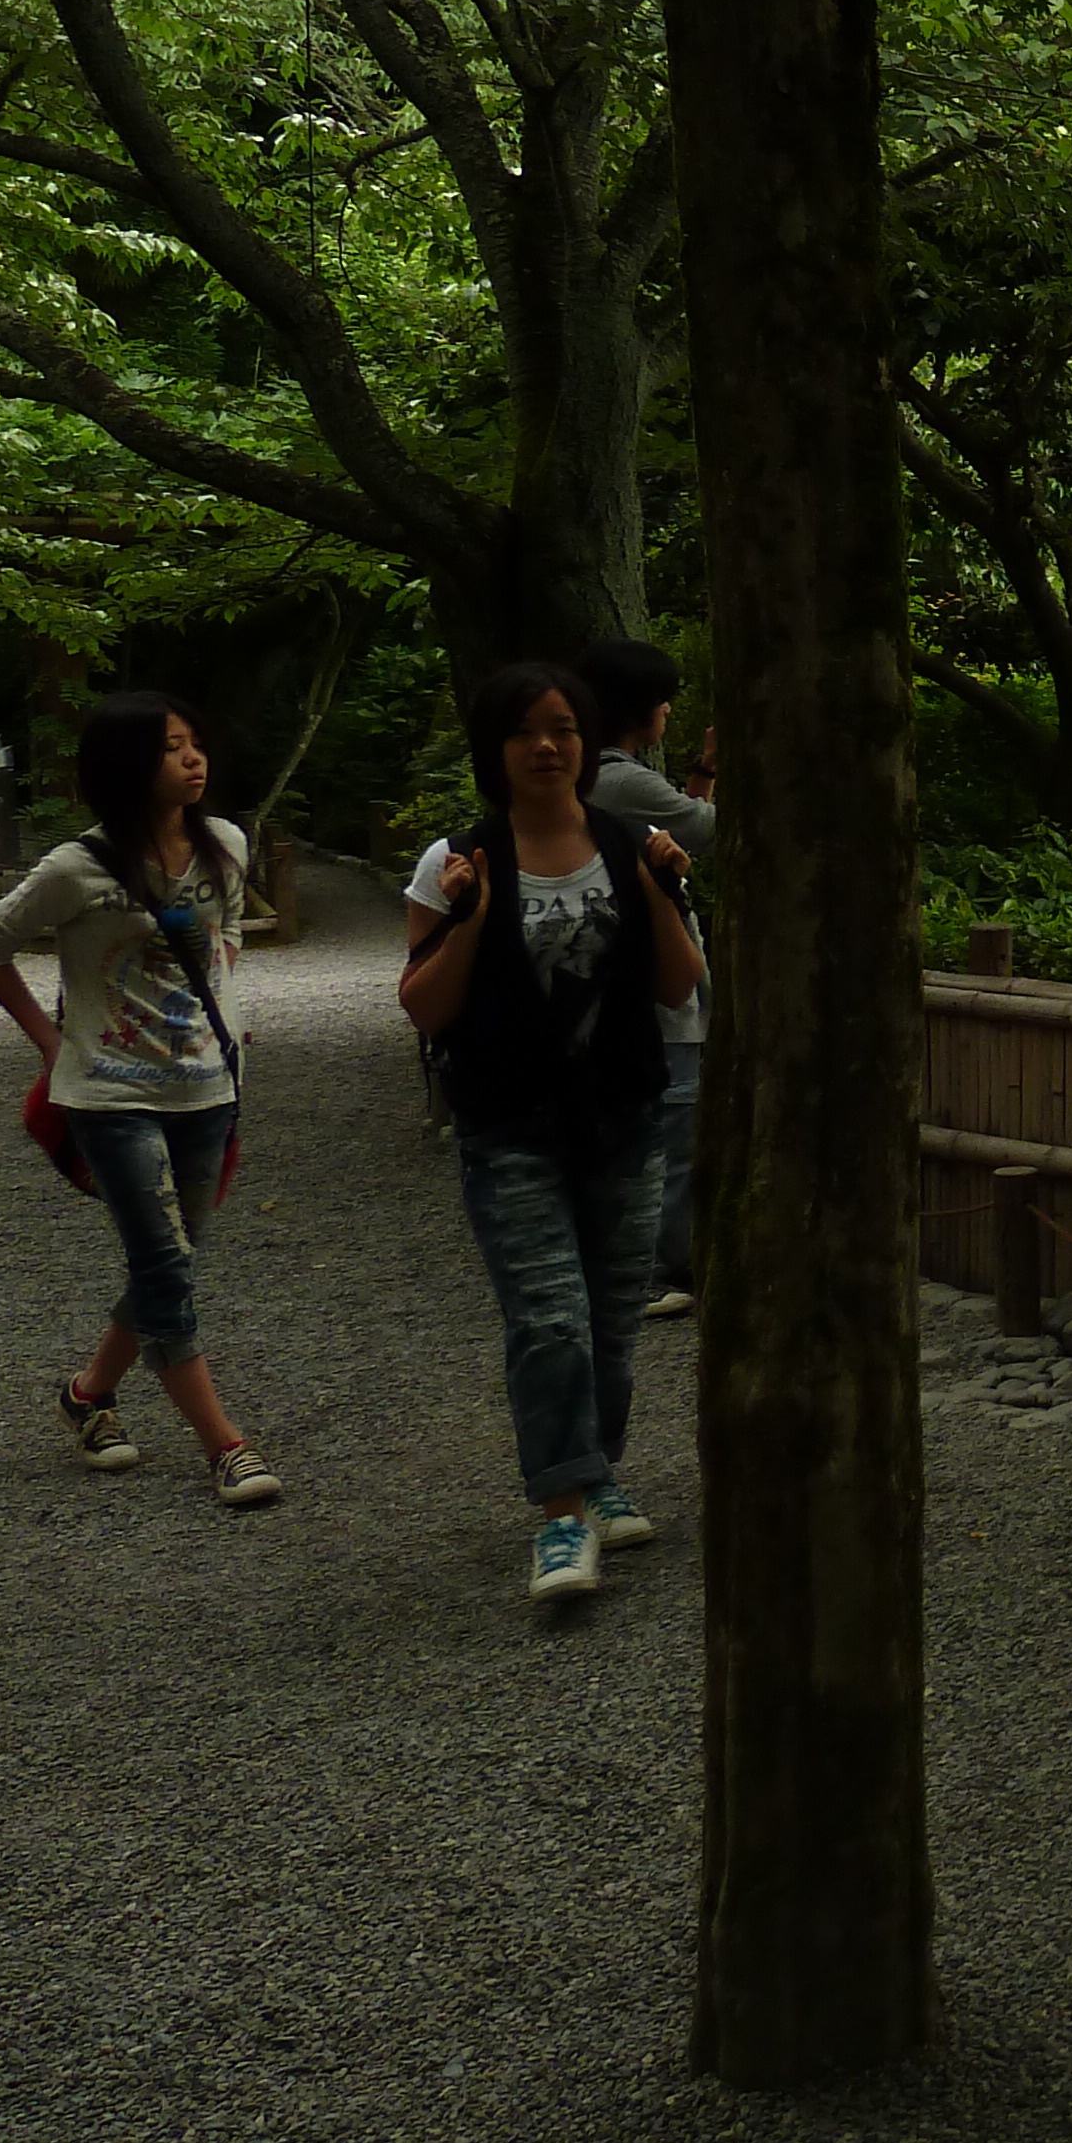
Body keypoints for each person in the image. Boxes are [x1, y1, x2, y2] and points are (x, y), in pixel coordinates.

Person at [401, 661, 701, 1604]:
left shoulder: (633, 844)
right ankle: (563, 1517)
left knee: (611, 1324)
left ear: (587, 741)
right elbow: (422, 1006)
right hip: (509, 1125)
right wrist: (469, 920)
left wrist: (658, 888)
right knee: (549, 1321)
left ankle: (596, 1471)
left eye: (564, 728)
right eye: (526, 730)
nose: (547, 745)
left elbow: (677, 983)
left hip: (623, 1116)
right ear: (494, 749)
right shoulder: (459, 859)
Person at [0, 692, 281, 1506]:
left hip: (209, 1089)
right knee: (164, 1266)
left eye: (195, 744)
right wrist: (51, 1046)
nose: (194, 760)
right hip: (108, 1097)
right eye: (170, 749)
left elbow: (224, 948)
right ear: (126, 765)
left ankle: (87, 1394)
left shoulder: (225, 843)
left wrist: (226, 1019)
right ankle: (226, 1445)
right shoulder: (73, 868)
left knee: (172, 1263)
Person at [579, 637, 711, 1322]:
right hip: (660, 988)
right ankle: (662, 1269)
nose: (668, 709)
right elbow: (708, 830)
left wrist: (702, 771)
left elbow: (675, 831)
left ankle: (627, 1262)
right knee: (674, 1136)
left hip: (620, 985)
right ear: (641, 708)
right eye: (663, 699)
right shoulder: (621, 778)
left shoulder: (596, 777)